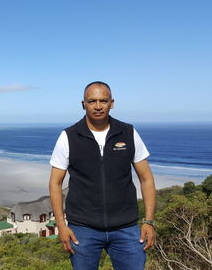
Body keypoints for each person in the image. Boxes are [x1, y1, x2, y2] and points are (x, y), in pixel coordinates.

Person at [49, 81, 156, 270]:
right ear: (83, 104)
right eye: (92, 101)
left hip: (126, 228)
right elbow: (55, 183)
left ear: (112, 103)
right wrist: (61, 225)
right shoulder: (69, 136)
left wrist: (148, 221)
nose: (98, 106)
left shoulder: (128, 132)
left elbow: (146, 178)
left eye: (103, 101)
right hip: (82, 230)